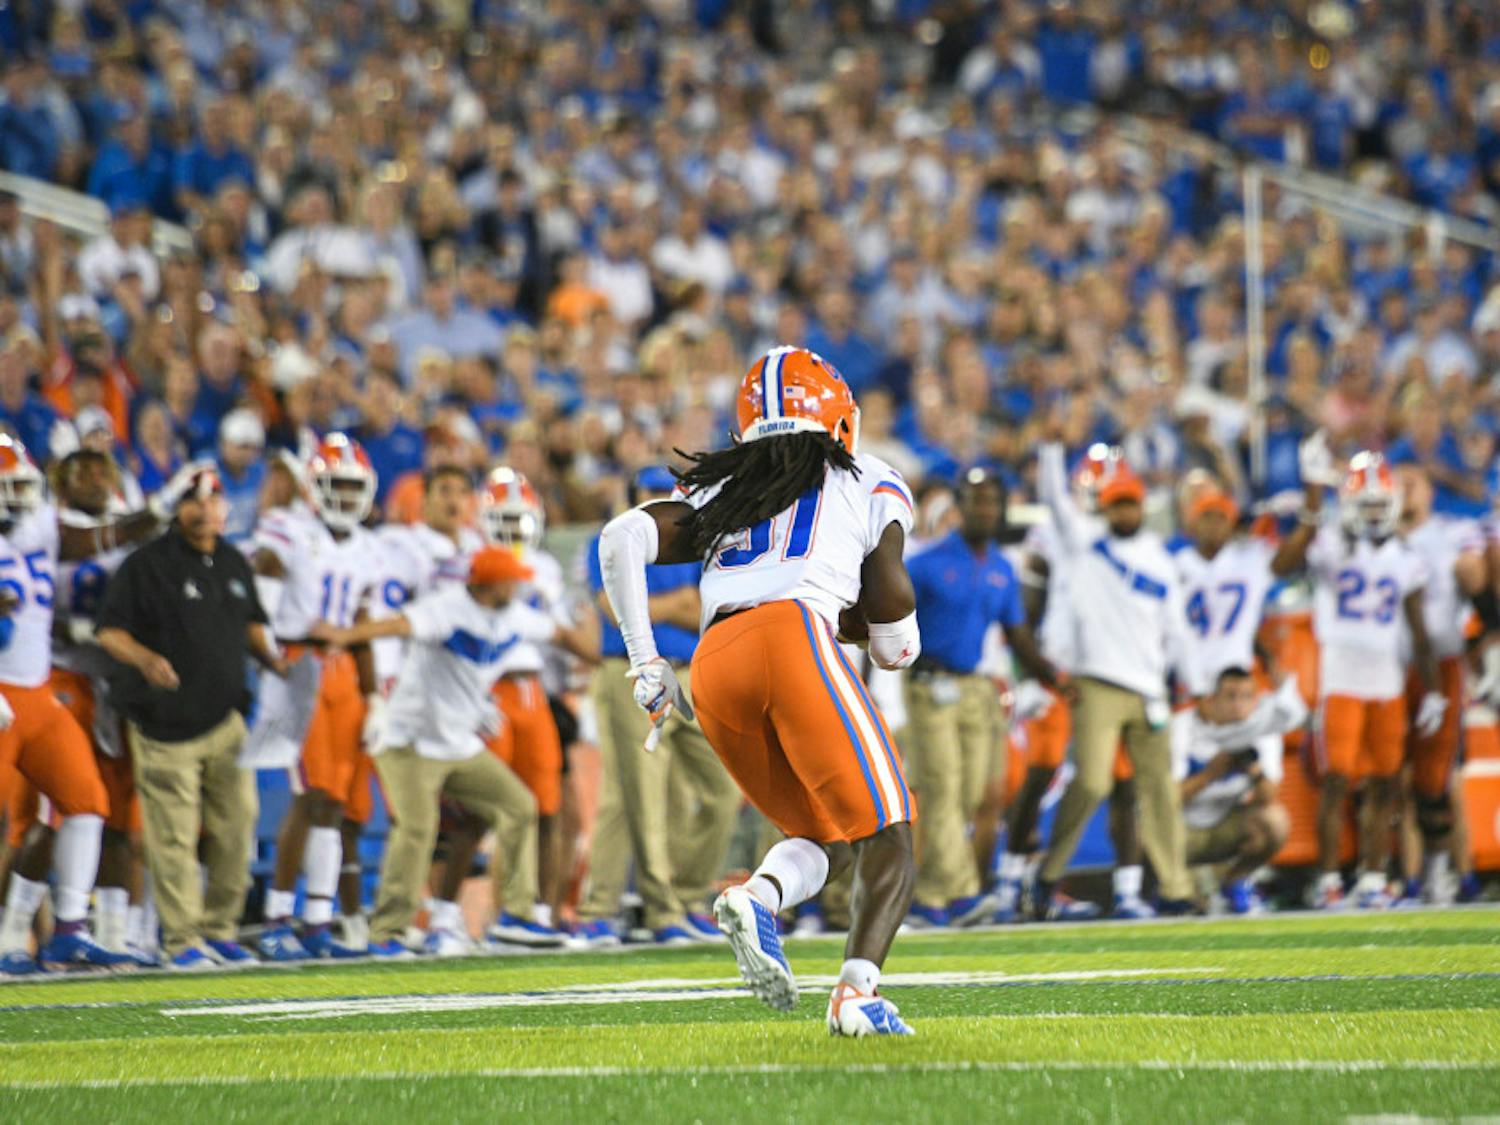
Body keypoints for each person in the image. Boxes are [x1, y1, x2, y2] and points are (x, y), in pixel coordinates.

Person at [599, 345, 922, 1037]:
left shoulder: (723, 488)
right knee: (891, 830)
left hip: (714, 662)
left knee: (824, 831)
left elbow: (622, 536)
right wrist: (891, 635)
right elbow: (892, 613)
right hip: (794, 639)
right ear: (839, 421)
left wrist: (645, 661)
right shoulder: (867, 473)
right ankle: (858, 994)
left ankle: (759, 895)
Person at [309, 546, 592, 954]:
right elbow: (395, 625)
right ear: (490, 582)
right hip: (410, 741)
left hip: (458, 743)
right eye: (511, 578)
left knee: (518, 806)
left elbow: (559, 634)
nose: (518, 584)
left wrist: (603, 658)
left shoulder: (512, 615)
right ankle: (387, 931)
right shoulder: (447, 608)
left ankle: (515, 915)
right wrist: (342, 636)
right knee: (417, 827)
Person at [0, 436, 182, 973]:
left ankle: (71, 929)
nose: (17, 499)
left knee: (86, 801)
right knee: (18, 822)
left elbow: (101, 537)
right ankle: (11, 933)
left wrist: (158, 510)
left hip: (36, 694)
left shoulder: (37, 526)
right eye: (6, 489)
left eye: (20, 488)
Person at [96, 463, 287, 969]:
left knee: (236, 827)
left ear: (227, 509)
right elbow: (109, 632)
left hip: (225, 720)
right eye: (193, 501)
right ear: (176, 507)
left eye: (212, 500)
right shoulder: (146, 565)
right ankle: (181, 941)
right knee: (174, 836)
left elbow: (249, 625)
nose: (204, 511)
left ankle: (220, 928)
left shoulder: (232, 561)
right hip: (164, 724)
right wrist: (145, 659)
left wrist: (275, 662)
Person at [1031, 438, 1204, 917]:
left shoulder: (1161, 559)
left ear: (1141, 508)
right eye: (1116, 505)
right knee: (1091, 783)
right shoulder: (1083, 545)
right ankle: (1048, 874)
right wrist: (1051, 448)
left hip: (1149, 688)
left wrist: (1190, 683)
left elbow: (1177, 629)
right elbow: (1055, 500)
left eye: (1130, 505)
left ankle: (1175, 887)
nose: (1124, 513)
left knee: (1161, 792)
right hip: (1098, 680)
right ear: (1104, 510)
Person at [577, 466, 741, 947]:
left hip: (692, 672)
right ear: (633, 497)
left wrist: (650, 603)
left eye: (660, 493)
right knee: (642, 798)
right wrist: (677, 604)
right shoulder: (606, 540)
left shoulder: (693, 540)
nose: (654, 500)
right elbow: (613, 607)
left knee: (723, 789)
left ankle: (687, 895)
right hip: (631, 672)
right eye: (645, 493)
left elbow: (705, 608)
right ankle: (659, 909)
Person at [902, 467, 1060, 927]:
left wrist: (1051, 677)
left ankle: (934, 894)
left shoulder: (1001, 568)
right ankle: (960, 894)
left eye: (993, 501)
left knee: (971, 793)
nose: (986, 510)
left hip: (974, 685)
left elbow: (1017, 635)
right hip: (929, 682)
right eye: (977, 502)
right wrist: (873, 683)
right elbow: (887, 615)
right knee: (943, 787)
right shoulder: (927, 563)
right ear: (961, 508)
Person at [246, 434, 380, 960]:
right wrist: (271, 654)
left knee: (335, 802)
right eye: (336, 484)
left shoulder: (369, 546)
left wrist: (376, 697)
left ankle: (319, 919)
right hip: (298, 661)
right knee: (309, 795)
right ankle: (280, 914)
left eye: (353, 485)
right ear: (314, 486)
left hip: (344, 669)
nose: (345, 496)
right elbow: (265, 580)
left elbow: (364, 623)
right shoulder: (288, 528)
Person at [1304, 451, 1445, 910]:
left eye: (1379, 504)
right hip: (1342, 678)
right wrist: (1312, 490)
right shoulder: (1331, 545)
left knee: (1387, 783)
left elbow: (1419, 632)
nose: (1373, 514)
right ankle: (1327, 882)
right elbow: (1297, 557)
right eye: (1365, 505)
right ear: (1347, 505)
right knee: (1338, 781)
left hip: (1386, 681)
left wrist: (1434, 691)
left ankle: (1372, 878)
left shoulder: (1406, 557)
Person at [1394, 463, 1484, 903]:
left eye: (1414, 483)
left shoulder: (1452, 530)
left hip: (1441, 664)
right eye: (1399, 483)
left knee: (1443, 777)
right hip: (1390, 667)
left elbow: (1477, 577)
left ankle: (1459, 873)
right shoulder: (1373, 535)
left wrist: (1473, 570)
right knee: (1402, 777)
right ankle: (1417, 878)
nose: (1406, 491)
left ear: (1430, 490)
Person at [1172, 668, 1305, 914]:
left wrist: (1253, 769)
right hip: (1178, 831)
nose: (1238, 705)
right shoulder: (1181, 727)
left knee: (1274, 820)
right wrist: (1209, 774)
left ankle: (1235, 881)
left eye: (1246, 697)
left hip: (1224, 826)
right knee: (1141, 824)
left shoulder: (1262, 731)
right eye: (1231, 696)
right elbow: (1166, 799)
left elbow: (1269, 796)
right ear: (1211, 698)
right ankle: (1166, 890)